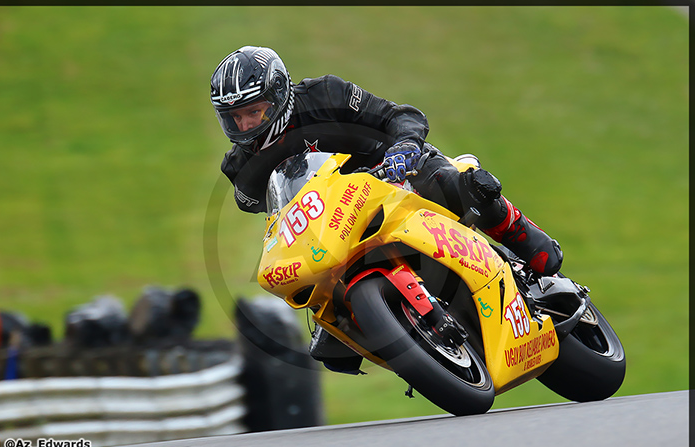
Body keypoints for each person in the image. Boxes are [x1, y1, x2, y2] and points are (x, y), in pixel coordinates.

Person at [211, 46, 563, 373]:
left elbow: (401, 115)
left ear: (277, 97)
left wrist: (405, 146)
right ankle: (412, 344)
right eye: (235, 117)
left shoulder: (325, 95)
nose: (245, 126)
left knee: (461, 185)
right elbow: (279, 211)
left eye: (253, 112)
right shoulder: (239, 169)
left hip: (396, 176)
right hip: (340, 221)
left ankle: (521, 234)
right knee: (332, 347)